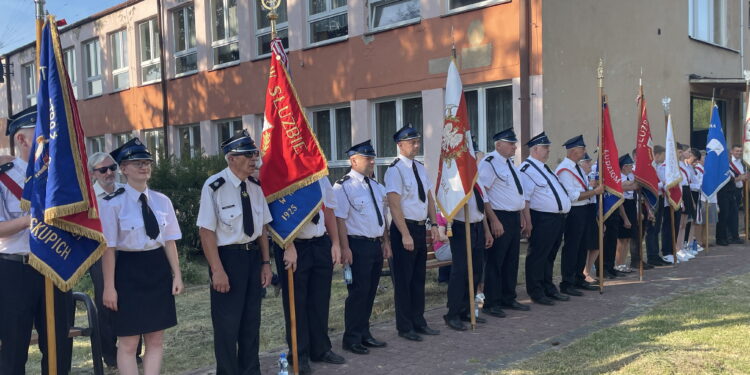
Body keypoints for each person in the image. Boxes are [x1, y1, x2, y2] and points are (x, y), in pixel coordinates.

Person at [0, 105, 74, 374]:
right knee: (13, 348)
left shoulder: (61, 178)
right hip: (15, 269)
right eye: (44, 135)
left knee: (58, 347)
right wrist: (31, 220)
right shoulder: (4, 175)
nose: (52, 141)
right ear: (22, 140)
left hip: (54, 265)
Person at [101, 138, 183, 375]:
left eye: (146, 162)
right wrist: (109, 287)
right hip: (127, 271)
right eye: (136, 163)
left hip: (157, 269)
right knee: (128, 342)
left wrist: (176, 275)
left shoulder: (162, 201)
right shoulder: (112, 204)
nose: (143, 167)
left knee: (156, 339)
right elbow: (109, 248)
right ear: (123, 169)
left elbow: (169, 241)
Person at [196, 131, 273, 375]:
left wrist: (266, 262)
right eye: (247, 155)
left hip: (252, 259)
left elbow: (261, 228)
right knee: (227, 326)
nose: (254, 159)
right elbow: (206, 232)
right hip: (227, 259)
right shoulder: (214, 186)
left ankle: (251, 370)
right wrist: (217, 270)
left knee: (252, 321)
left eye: (254, 154)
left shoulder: (255, 186)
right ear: (231, 158)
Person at [272, 171, 345, 372]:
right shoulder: (283, 174)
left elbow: (328, 210)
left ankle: (321, 349)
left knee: (320, 300)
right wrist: (288, 245)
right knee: (297, 303)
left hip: (320, 242)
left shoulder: (319, 175)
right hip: (294, 246)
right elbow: (275, 213)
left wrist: (335, 243)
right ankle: (298, 354)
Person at [384, 124, 441, 341]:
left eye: (417, 141)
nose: (416, 145)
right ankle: (405, 326)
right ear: (400, 145)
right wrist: (405, 233)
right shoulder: (395, 170)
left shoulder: (419, 167)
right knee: (404, 280)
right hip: (404, 230)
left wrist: (434, 225)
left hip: (419, 228)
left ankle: (419, 321)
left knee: (418, 279)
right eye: (411, 142)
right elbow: (394, 204)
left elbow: (428, 197)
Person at [334, 140, 391, 355]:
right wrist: (344, 248)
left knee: (369, 292)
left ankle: (365, 333)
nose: (372, 162)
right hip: (356, 245)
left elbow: (382, 217)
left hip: (374, 243)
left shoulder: (375, 185)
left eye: (373, 158)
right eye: (368, 158)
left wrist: (385, 242)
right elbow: (340, 219)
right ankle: (352, 338)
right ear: (353, 160)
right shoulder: (343, 186)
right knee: (357, 293)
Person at [88, 152, 135, 368]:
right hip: (101, 253)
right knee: (106, 303)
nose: (109, 173)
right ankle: (109, 354)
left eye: (112, 167)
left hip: (127, 252)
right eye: (103, 170)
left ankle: (133, 350)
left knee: (131, 299)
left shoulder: (126, 192)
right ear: (93, 174)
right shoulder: (89, 198)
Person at [479, 129, 531, 317]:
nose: (515, 147)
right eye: (511, 144)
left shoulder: (510, 164)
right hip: (499, 217)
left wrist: (524, 216)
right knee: (495, 261)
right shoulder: (489, 163)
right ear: (498, 145)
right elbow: (482, 194)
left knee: (511, 260)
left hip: (513, 217)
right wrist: (493, 220)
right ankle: (492, 302)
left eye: (514, 144)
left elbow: (520, 193)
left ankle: (508, 297)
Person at [519, 132, 571, 306]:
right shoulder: (526, 169)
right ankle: (536, 291)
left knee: (550, 255)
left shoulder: (544, 167)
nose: (548, 151)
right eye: (545, 148)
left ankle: (548, 287)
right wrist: (528, 221)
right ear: (535, 149)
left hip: (556, 219)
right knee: (538, 255)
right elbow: (525, 199)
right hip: (541, 218)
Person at [554, 135, 602, 296]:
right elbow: (572, 195)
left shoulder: (576, 167)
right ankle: (567, 282)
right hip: (574, 211)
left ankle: (579, 278)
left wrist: (591, 188)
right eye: (582, 149)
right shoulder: (565, 169)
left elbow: (584, 188)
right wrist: (593, 192)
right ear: (574, 151)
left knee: (582, 246)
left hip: (585, 209)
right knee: (572, 247)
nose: (584, 152)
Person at [443, 177, 493, 331]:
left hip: (477, 227)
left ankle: (466, 309)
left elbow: (481, 210)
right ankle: (453, 313)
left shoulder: (477, 183)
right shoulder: (455, 181)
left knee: (476, 270)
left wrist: (487, 231)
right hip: (461, 227)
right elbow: (448, 205)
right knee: (461, 271)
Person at [644, 146, 670, 266]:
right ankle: (651, 256)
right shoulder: (650, 167)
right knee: (652, 229)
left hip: (659, 198)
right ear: (657, 155)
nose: (664, 158)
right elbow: (650, 184)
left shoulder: (658, 167)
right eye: (663, 155)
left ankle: (655, 254)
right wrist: (662, 184)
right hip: (651, 199)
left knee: (656, 229)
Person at [615, 154, 638, 273]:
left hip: (631, 205)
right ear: (624, 167)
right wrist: (625, 218)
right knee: (622, 239)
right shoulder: (619, 177)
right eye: (630, 165)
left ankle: (623, 263)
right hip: (623, 206)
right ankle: (618, 264)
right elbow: (625, 187)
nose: (632, 167)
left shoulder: (630, 176)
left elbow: (634, 186)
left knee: (627, 238)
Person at [580, 153, 600, 283]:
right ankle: (584, 272)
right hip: (584, 209)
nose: (589, 164)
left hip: (593, 209)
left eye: (589, 161)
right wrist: (592, 187)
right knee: (586, 244)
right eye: (586, 162)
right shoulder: (580, 176)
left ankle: (588, 270)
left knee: (596, 244)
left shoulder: (592, 175)